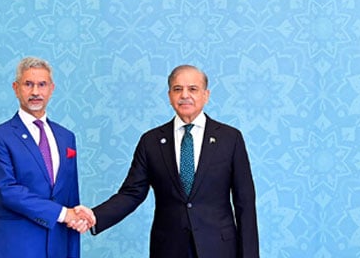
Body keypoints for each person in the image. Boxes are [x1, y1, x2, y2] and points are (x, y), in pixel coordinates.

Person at [76, 64, 259, 257]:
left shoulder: (230, 139)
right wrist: (96, 216)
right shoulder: (151, 141)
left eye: (193, 89)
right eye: (178, 89)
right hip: (169, 248)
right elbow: (132, 193)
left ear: (206, 95)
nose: (185, 95)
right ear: (170, 95)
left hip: (219, 248)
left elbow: (245, 202)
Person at [0, 57, 91, 258]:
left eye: (42, 84)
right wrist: (64, 214)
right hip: (14, 245)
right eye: (28, 84)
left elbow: (70, 195)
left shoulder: (66, 137)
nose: (35, 92)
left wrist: (75, 222)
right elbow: (7, 191)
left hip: (58, 242)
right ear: (16, 88)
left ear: (52, 88)